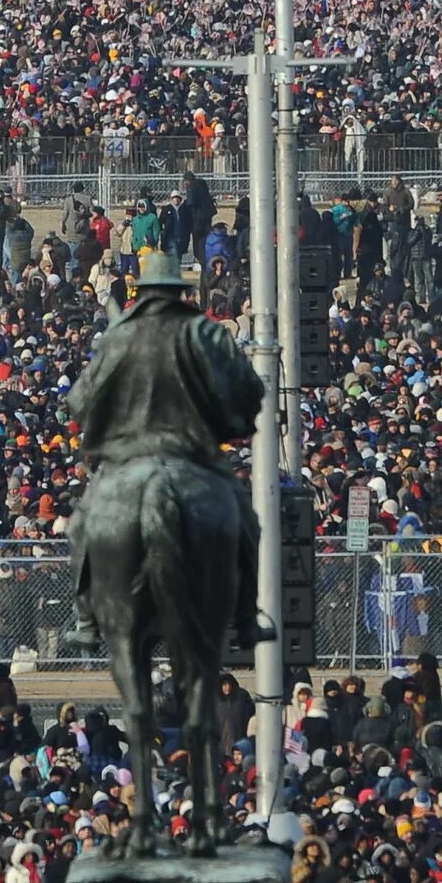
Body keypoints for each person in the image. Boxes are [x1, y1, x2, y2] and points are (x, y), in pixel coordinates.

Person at [64, 250, 268, 651]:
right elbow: (249, 389)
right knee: (245, 519)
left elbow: (77, 402)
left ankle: (87, 619)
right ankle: (246, 617)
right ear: (178, 292)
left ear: (142, 293)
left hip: (129, 457)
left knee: (81, 528)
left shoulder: (121, 335)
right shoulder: (203, 334)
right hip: (190, 454)